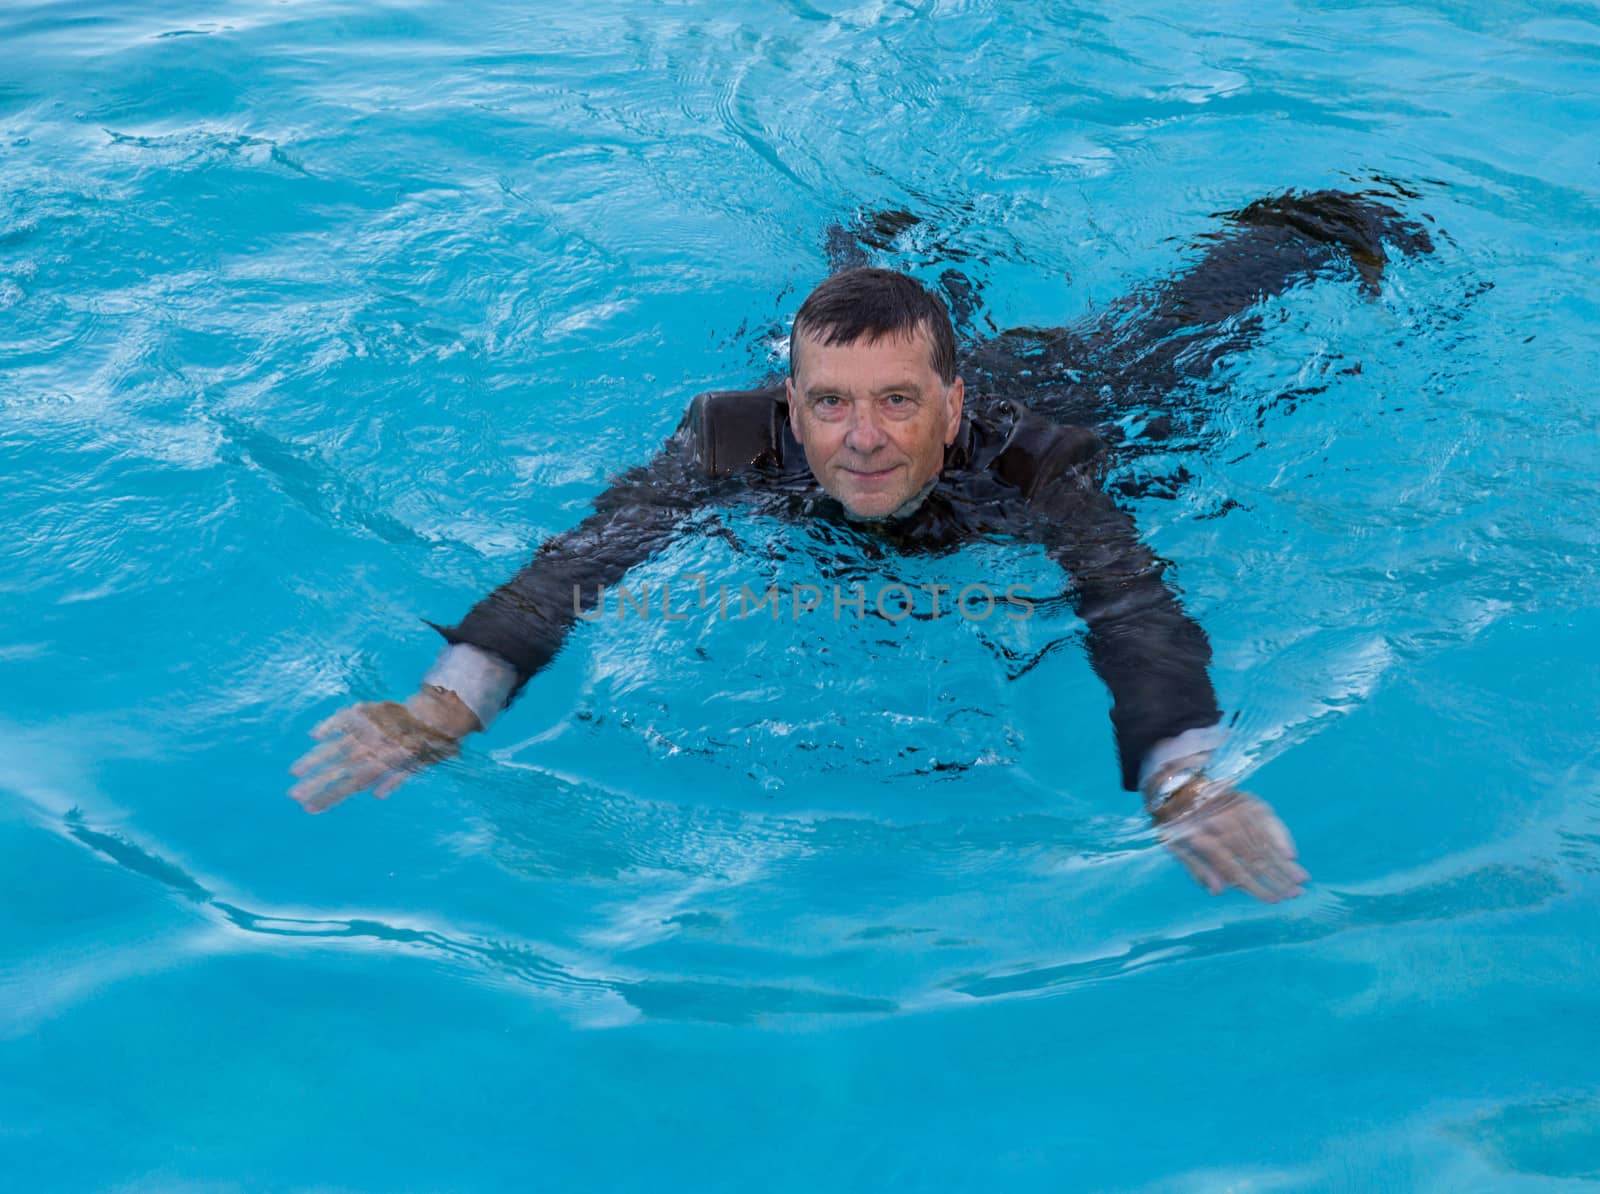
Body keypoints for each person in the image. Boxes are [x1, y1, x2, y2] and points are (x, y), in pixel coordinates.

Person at [290, 189, 1434, 904]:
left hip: (1076, 388)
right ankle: (887, 227)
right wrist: (444, 709)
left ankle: (1308, 222)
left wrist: (1178, 779)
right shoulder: (730, 443)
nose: (864, 440)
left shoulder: (1035, 459)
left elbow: (1130, 612)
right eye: (830, 404)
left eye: (897, 402)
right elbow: (575, 569)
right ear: (789, 403)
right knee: (867, 253)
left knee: (1186, 346)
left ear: (949, 402)